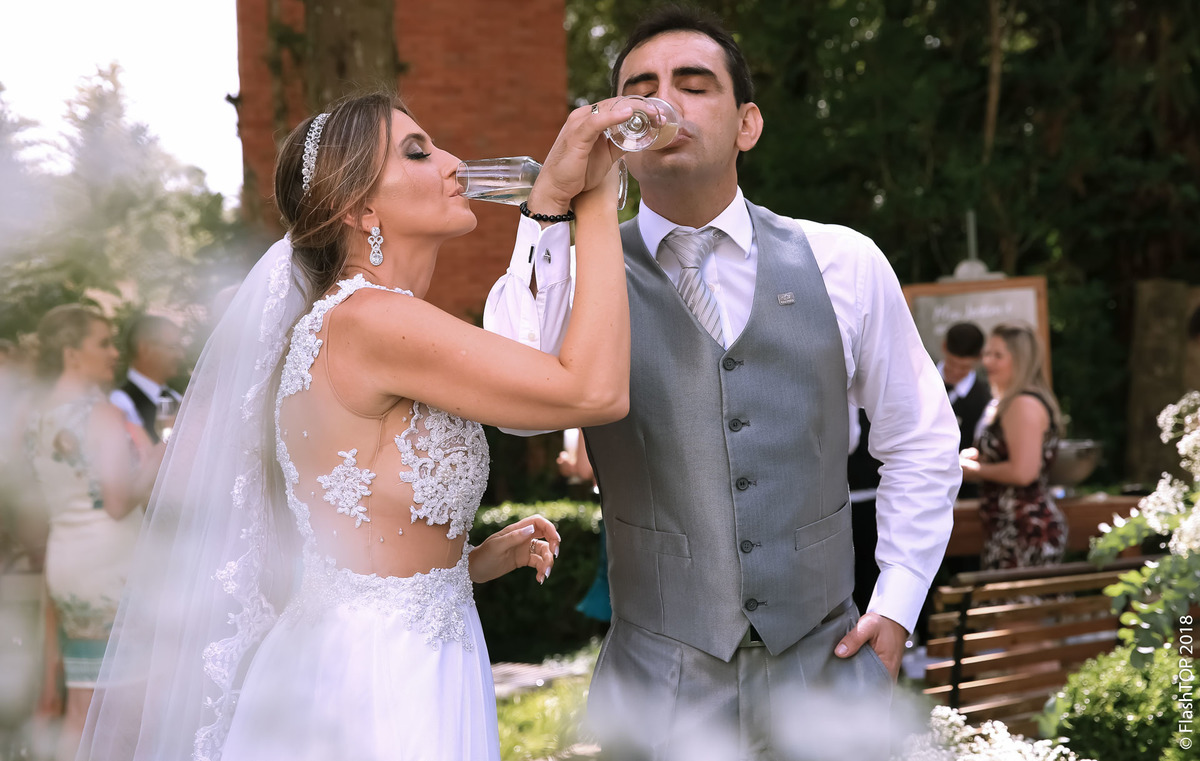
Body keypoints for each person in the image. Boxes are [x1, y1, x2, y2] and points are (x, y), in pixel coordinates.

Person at [76, 90, 633, 761]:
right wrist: (597, 195)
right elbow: (591, 390)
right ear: (360, 208)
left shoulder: (353, 320)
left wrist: (465, 563)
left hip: (397, 650)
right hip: (377, 685)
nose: (455, 163)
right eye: (418, 152)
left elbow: (338, 544)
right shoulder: (370, 321)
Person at [484, 6, 961, 758]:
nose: (661, 101)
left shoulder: (846, 262)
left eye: (692, 83)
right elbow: (512, 410)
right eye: (639, 87)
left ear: (747, 124)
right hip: (654, 691)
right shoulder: (571, 274)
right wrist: (549, 206)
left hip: (828, 672)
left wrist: (896, 607)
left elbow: (921, 440)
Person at [22, 305, 164, 761]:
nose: (112, 353)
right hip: (113, 568)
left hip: (68, 566)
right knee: (133, 706)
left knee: (82, 704)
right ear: (71, 353)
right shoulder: (99, 413)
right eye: (101, 343)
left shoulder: (34, 417)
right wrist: (162, 455)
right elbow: (119, 501)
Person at [960, 322, 1066, 569]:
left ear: (1021, 360)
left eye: (998, 355)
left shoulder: (1022, 404)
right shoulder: (1010, 401)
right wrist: (980, 456)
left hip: (1024, 529)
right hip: (1009, 528)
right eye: (987, 353)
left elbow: (1023, 472)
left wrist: (970, 471)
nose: (988, 362)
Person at [109, 315, 185, 444]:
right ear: (145, 349)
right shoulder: (119, 402)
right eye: (173, 347)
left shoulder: (177, 398)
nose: (180, 355)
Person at [940, 321, 992, 455]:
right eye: (952, 363)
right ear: (944, 347)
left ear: (980, 357)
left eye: (964, 367)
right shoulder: (920, 380)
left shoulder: (984, 400)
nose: (956, 371)